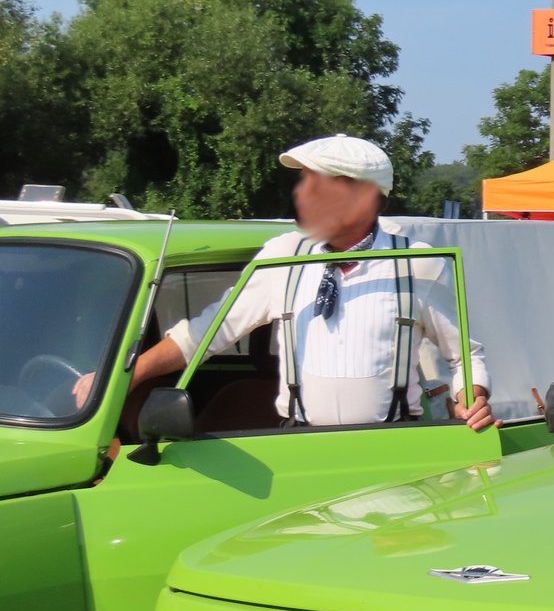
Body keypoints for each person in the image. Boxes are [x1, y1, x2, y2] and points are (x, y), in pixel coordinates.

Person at [77, 134, 497, 430]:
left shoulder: (418, 264)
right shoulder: (283, 255)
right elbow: (209, 332)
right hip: (296, 444)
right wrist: (121, 376)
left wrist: (470, 399)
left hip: (391, 447)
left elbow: (465, 356)